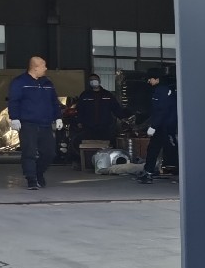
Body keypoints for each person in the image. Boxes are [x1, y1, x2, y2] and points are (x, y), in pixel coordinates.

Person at [6, 55, 63, 192]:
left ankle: (38, 173)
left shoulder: (47, 83)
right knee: (29, 152)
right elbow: (14, 100)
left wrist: (58, 117)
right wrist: (14, 118)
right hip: (28, 124)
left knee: (49, 153)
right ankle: (31, 179)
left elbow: (54, 102)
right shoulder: (20, 82)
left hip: (45, 124)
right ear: (35, 67)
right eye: (44, 66)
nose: (46, 68)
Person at [139, 66, 177, 183]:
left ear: (156, 79)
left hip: (165, 126)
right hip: (165, 125)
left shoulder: (161, 91)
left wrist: (153, 126)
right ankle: (148, 171)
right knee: (155, 149)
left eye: (150, 79)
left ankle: (149, 173)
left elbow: (161, 110)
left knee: (167, 150)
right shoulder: (163, 89)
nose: (148, 81)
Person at [75, 73, 120, 145]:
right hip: (89, 126)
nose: (94, 81)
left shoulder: (107, 95)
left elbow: (116, 108)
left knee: (106, 145)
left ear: (99, 81)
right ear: (89, 82)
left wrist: (124, 117)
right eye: (91, 80)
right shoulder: (85, 95)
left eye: (95, 79)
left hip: (105, 126)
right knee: (90, 145)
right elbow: (80, 109)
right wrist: (79, 121)